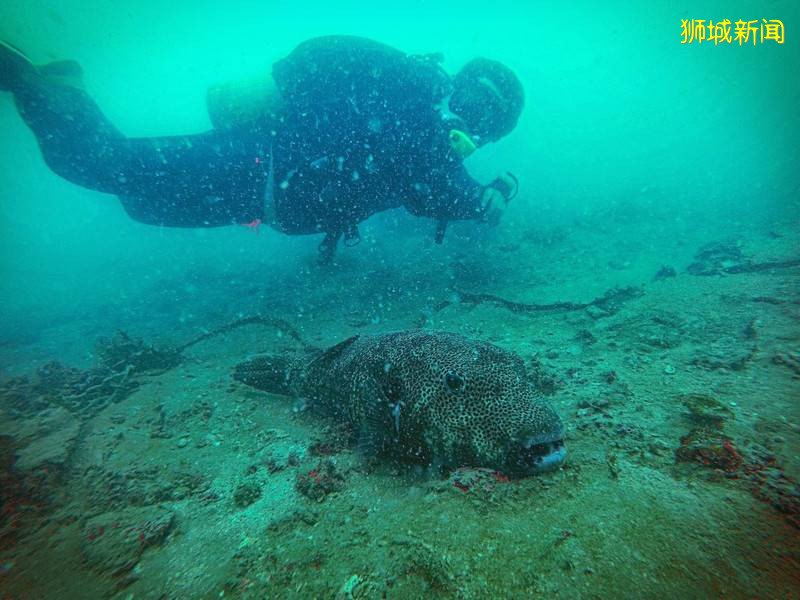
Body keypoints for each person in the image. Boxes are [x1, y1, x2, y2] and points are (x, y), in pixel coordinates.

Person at [0, 35, 522, 262]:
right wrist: (487, 196)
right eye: (476, 105)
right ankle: (36, 81)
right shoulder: (415, 95)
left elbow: (420, 191)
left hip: (258, 197)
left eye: (488, 126)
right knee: (102, 165)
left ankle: (58, 90)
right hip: (254, 161)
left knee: (138, 201)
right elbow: (428, 184)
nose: (473, 127)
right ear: (460, 86)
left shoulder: (424, 133)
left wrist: (487, 191)